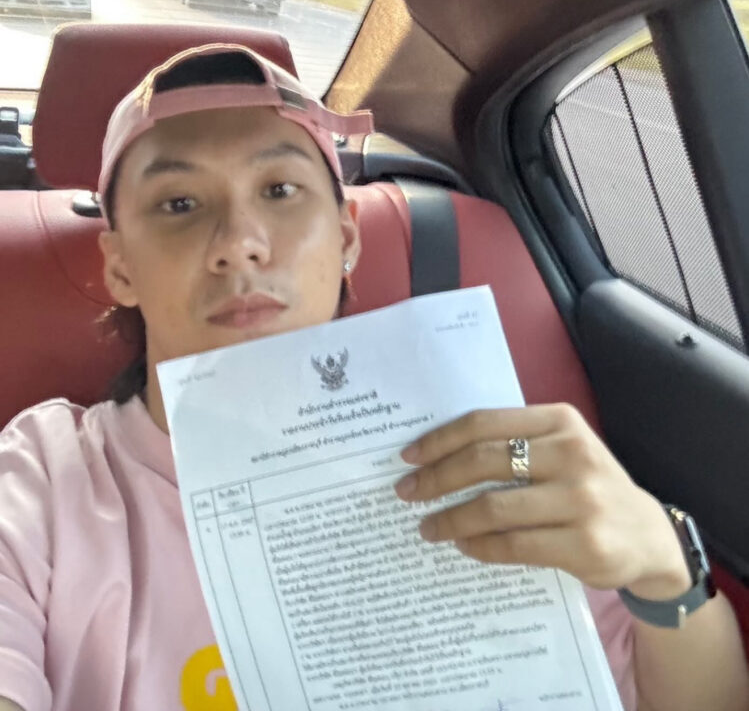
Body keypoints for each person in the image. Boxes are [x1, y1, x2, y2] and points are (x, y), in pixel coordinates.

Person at [0, 42, 747, 711]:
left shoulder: (490, 449)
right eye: (179, 203)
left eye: (280, 191)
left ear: (346, 238)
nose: (239, 243)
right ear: (119, 267)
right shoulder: (43, 477)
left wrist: (663, 567)